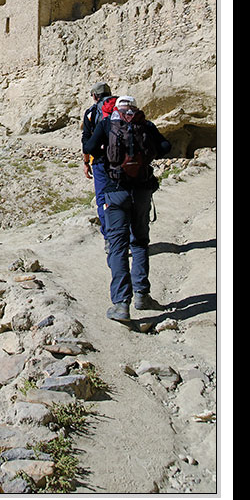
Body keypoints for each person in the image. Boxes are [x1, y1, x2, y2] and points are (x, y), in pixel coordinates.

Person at [82, 94, 171, 322]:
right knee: (140, 242)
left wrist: (107, 157)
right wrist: (146, 157)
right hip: (141, 190)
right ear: (134, 108)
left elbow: (89, 146)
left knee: (118, 245)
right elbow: (165, 146)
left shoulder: (106, 124)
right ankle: (142, 295)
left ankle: (121, 304)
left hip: (115, 190)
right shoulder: (145, 125)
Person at [81, 81, 115, 250]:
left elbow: (86, 140)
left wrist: (86, 162)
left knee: (102, 199)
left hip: (100, 162)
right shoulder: (122, 110)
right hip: (122, 162)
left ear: (94, 96)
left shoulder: (91, 113)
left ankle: (109, 238)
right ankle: (131, 235)